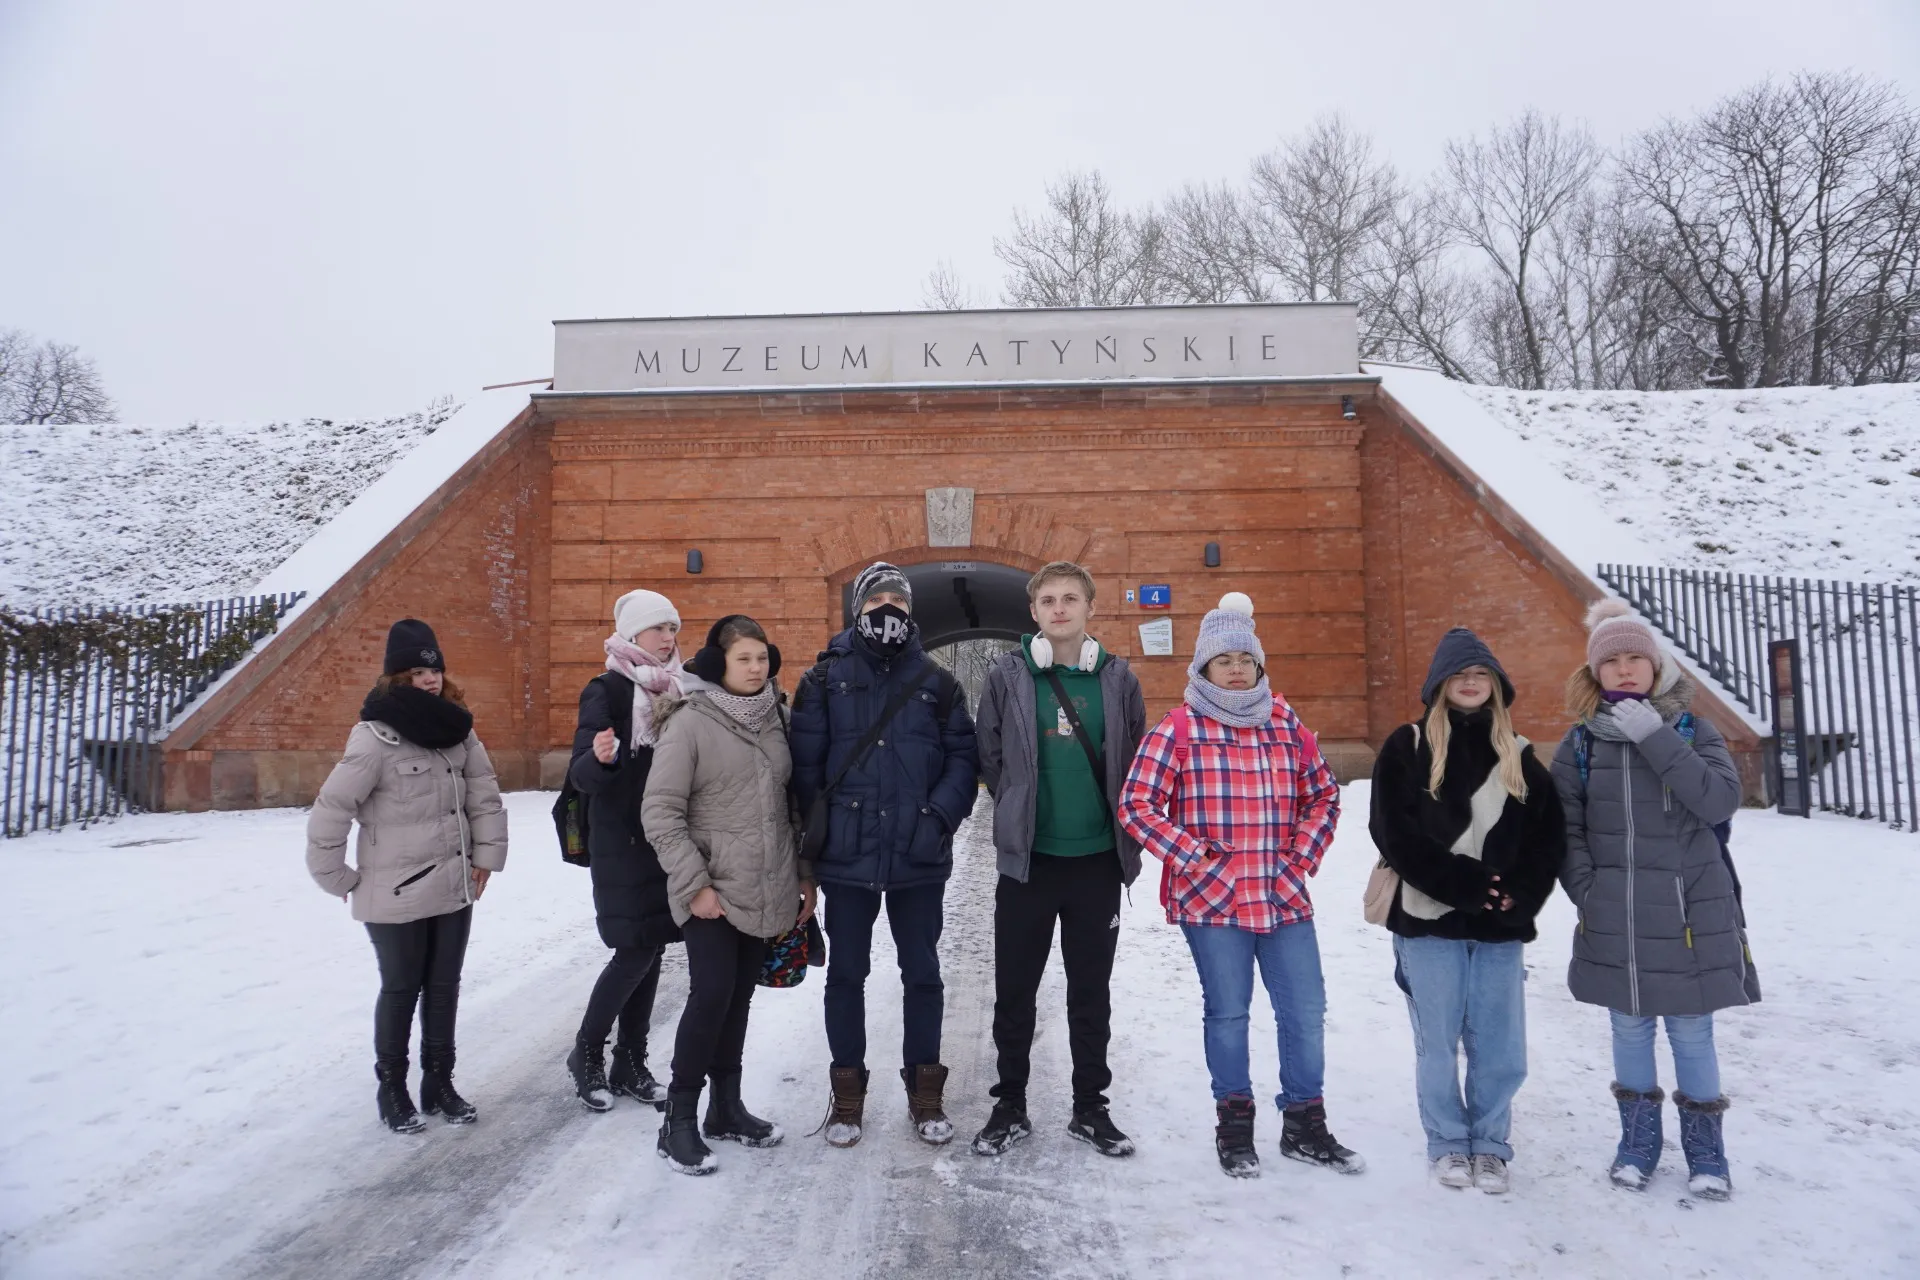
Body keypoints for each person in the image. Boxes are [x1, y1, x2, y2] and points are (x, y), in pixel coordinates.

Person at [1118, 592, 1358, 1179]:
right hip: (1213, 901)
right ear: (1202, 668)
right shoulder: (1178, 729)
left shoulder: (1285, 723)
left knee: (1304, 1010)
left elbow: (1323, 794)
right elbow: (1137, 803)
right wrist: (1193, 857)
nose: (1234, 668)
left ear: (1258, 665)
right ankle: (1235, 1123)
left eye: (1244, 659)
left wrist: (1300, 856)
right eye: (1221, 659)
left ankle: (1305, 1121)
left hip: (1282, 896)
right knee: (1228, 1012)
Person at [1553, 600, 1756, 1200]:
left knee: (1692, 1033)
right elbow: (1565, 827)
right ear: (1595, 673)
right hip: (1616, 910)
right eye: (1609, 660)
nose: (1623, 669)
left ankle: (1706, 1153)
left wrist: (1654, 735)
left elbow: (1718, 800)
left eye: (1634, 657)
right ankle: (1637, 1144)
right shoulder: (1582, 741)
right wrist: (1589, 890)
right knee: (1630, 1029)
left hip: (1692, 910)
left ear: (1654, 663)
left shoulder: (1693, 728)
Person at [1367, 628, 1565, 1194]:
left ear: (1497, 686)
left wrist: (1518, 895)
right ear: (1439, 686)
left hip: (1499, 925)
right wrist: (1471, 886)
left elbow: (1547, 839)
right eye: (1460, 675)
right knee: (1437, 1042)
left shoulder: (1519, 754)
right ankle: (1449, 1141)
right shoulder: (1406, 747)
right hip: (1429, 920)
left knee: (1500, 1045)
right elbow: (1394, 834)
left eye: (1480, 675)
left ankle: (1492, 1144)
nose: (1471, 683)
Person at [790, 562, 979, 1148]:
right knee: (847, 975)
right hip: (846, 858)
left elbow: (963, 761)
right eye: (878, 600)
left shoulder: (938, 682)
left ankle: (925, 1093)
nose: (888, 609)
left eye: (899, 598)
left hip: (917, 858)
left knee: (923, 974)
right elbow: (803, 772)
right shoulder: (823, 680)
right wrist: (808, 856)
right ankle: (847, 1096)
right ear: (859, 608)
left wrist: (938, 817)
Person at [971, 561, 1146, 1158]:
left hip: (1096, 863)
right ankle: (1010, 1103)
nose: (1060, 608)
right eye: (1048, 599)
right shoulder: (1008, 675)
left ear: (1091, 607)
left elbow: (1135, 758)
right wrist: (1018, 802)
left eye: (1071, 598)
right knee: (1015, 990)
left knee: (1090, 991)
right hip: (1029, 866)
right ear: (1034, 611)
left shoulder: (1118, 680)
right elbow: (988, 754)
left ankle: (1090, 1106)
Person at [306, 619, 508, 1133]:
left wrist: (485, 857)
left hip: (455, 886)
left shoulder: (458, 731)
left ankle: (439, 1084)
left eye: (434, 668)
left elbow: (484, 796)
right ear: (397, 677)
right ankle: (392, 1090)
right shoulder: (374, 738)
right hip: (393, 892)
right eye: (417, 671)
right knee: (401, 990)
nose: (429, 679)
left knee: (444, 988)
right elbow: (332, 809)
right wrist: (338, 877)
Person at [642, 614, 814, 1175]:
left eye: (762, 657)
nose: (755, 667)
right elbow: (661, 812)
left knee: (738, 997)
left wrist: (803, 876)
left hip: (766, 884)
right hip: (711, 889)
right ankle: (679, 1120)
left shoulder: (779, 720)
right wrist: (694, 886)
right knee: (711, 994)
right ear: (718, 664)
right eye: (743, 658)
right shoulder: (690, 723)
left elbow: (794, 806)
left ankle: (725, 1108)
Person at [564, 589, 686, 1113]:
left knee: (653, 944)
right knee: (634, 949)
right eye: (658, 628)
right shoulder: (607, 689)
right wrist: (600, 757)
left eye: (672, 628)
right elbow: (581, 774)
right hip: (621, 840)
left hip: (663, 840)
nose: (667, 637)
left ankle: (630, 1062)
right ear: (632, 634)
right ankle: (588, 1052)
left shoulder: (677, 690)